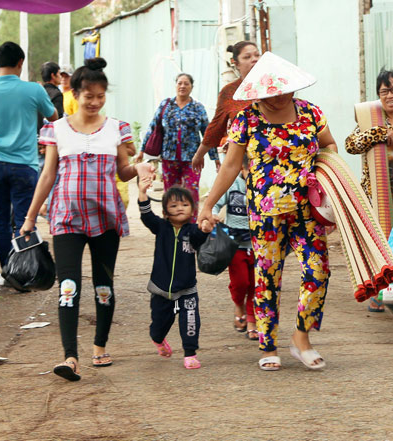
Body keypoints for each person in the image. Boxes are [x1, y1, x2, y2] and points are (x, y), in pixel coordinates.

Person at [197, 51, 338, 371]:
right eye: (270, 91)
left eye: (283, 89)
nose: (278, 96)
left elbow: (330, 145)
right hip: (265, 213)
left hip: (307, 211)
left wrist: (326, 180)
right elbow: (231, 165)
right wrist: (207, 204)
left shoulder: (311, 113)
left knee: (318, 271)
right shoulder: (248, 118)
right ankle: (268, 343)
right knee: (268, 276)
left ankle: (301, 337)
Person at [21, 57, 155, 382]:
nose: (94, 102)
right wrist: (28, 219)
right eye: (88, 96)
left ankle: (100, 344)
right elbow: (48, 174)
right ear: (75, 93)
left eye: (100, 96)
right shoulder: (57, 129)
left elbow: (123, 171)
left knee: (103, 286)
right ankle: (70, 357)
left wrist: (137, 169)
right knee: (68, 286)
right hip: (66, 219)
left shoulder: (116, 128)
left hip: (106, 219)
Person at [345, 69, 393, 312]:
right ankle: (378, 293)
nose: (390, 95)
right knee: (380, 244)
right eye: (384, 91)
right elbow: (350, 145)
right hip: (377, 197)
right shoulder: (372, 122)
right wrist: (379, 134)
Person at [0, 42, 58, 275]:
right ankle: (23, 271)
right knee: (24, 218)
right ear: (20, 63)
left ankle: (7, 270)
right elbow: (54, 116)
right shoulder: (34, 90)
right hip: (24, 165)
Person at [138, 183, 209, 369]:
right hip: (161, 288)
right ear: (165, 212)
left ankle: (190, 353)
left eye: (185, 205)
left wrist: (206, 229)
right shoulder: (161, 227)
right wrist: (142, 192)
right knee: (159, 323)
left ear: (193, 209)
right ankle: (158, 340)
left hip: (187, 287)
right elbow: (147, 217)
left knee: (191, 320)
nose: (179, 209)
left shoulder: (192, 230)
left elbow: (200, 238)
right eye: (174, 206)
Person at [138, 73, 209, 219]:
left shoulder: (198, 108)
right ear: (175, 85)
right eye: (179, 83)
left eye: (186, 83)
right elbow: (153, 127)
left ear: (191, 87)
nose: (182, 86)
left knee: (191, 191)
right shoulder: (166, 105)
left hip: (192, 159)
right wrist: (141, 150)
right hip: (169, 158)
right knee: (170, 191)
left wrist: (215, 158)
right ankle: (169, 223)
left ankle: (190, 224)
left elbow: (208, 134)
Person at [193, 41, 259, 173]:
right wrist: (198, 155)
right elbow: (216, 128)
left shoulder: (273, 86)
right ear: (235, 62)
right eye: (247, 57)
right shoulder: (229, 92)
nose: (255, 60)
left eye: (257, 55)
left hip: (274, 156)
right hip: (242, 163)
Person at [212, 156, 256, 339]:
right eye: (249, 172)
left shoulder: (263, 186)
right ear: (241, 169)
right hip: (236, 245)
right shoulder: (232, 185)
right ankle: (238, 304)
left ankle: (252, 321)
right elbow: (215, 203)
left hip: (257, 245)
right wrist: (213, 215)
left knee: (255, 285)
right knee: (241, 283)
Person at [39, 61, 64, 125]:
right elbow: (58, 120)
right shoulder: (57, 95)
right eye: (59, 73)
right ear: (53, 75)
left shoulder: (39, 92)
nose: (61, 77)